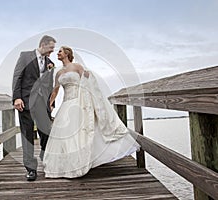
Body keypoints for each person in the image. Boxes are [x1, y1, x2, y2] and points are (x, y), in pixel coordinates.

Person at [43, 46, 140, 178]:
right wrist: (49, 105)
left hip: (79, 102)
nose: (57, 53)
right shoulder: (59, 73)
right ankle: (67, 164)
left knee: (82, 131)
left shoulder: (77, 67)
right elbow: (55, 91)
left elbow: (89, 81)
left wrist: (89, 91)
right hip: (66, 104)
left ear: (67, 53)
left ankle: (84, 160)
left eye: (60, 51)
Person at [12, 35, 56, 181]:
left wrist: (51, 103)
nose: (52, 52)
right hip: (26, 100)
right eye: (50, 48)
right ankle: (31, 169)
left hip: (43, 103)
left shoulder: (50, 63)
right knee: (27, 134)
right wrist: (16, 97)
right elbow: (17, 76)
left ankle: (45, 156)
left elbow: (49, 84)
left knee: (47, 132)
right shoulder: (25, 56)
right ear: (43, 44)